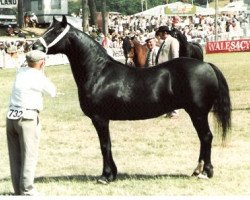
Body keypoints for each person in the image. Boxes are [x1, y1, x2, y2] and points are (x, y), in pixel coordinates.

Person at [6, 50, 57, 195]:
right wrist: (43, 72)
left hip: (11, 116)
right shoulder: (38, 76)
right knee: (29, 154)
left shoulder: (20, 72)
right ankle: (27, 190)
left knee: (15, 155)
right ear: (42, 63)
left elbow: (25, 66)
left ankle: (18, 190)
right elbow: (52, 91)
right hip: (28, 117)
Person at [155, 25, 179, 117]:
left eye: (160, 33)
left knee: (172, 90)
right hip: (162, 70)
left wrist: (174, 69)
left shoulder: (173, 41)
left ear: (165, 33)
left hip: (169, 70)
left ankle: (174, 111)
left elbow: (174, 55)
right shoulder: (164, 42)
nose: (159, 35)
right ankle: (168, 110)